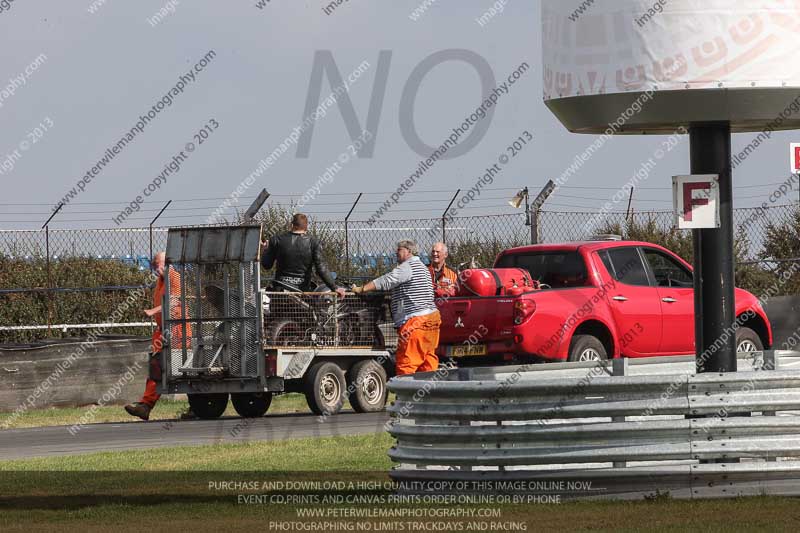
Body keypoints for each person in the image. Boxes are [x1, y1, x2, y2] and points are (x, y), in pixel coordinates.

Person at [351, 240, 441, 375]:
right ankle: (429, 394)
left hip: (416, 323)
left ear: (408, 251)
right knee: (427, 363)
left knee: (406, 364)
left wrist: (362, 288)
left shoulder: (407, 267)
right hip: (432, 320)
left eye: (399, 250)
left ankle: (405, 394)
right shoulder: (423, 268)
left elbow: (387, 280)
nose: (396, 252)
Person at [124, 252, 193, 421]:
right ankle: (145, 406)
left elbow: (175, 302)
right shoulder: (160, 281)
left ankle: (195, 406)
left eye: (158, 264)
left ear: (167, 263)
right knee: (156, 367)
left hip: (177, 330)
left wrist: (152, 311)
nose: (156, 268)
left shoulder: (174, 277)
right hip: (163, 330)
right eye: (154, 265)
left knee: (184, 369)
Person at [262, 213, 346, 297]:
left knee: (279, 309)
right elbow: (321, 268)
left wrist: (265, 250)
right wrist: (334, 287)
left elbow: (266, 265)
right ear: (306, 227)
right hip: (302, 292)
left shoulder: (276, 240)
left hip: (280, 290)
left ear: (291, 225)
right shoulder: (313, 242)